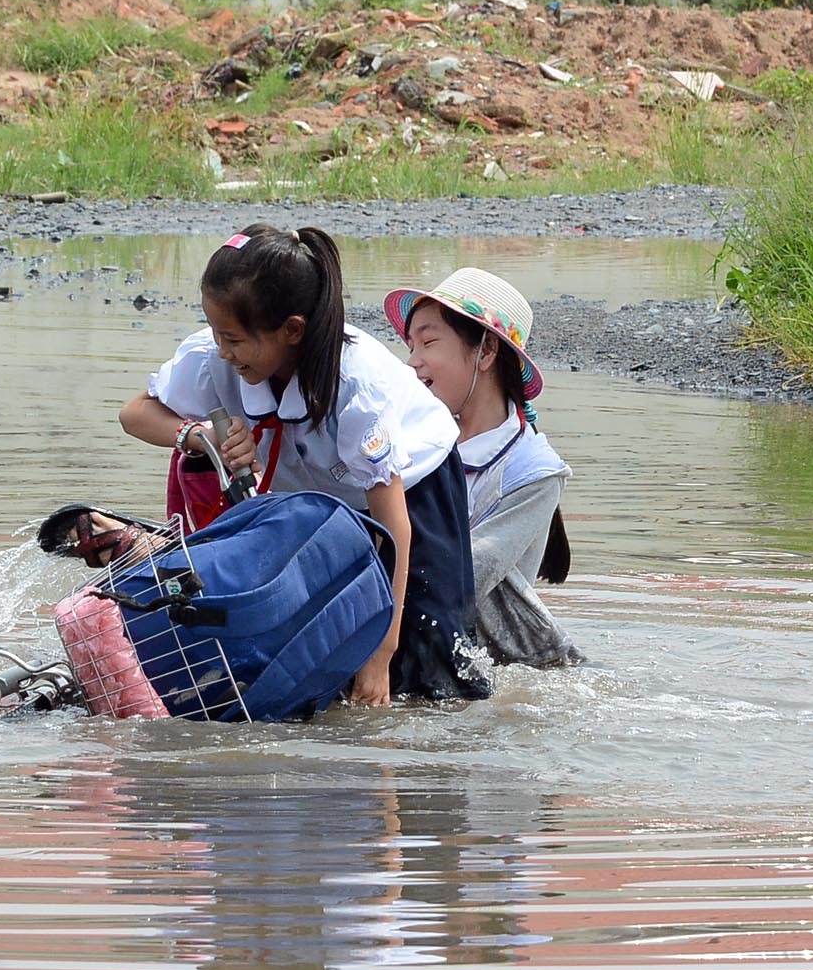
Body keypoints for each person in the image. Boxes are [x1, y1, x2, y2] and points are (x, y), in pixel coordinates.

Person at [118, 224, 493, 706]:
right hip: (322, 504)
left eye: (232, 338)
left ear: (292, 330)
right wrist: (198, 435)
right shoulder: (217, 359)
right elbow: (135, 413)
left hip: (412, 493)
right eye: (215, 333)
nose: (222, 350)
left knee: (429, 672)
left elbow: (394, 525)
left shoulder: (356, 385)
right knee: (316, 648)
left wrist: (381, 653)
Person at [385, 267, 582, 668]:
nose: (412, 362)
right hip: (409, 634)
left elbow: (460, 579)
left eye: (428, 342)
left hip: (468, 662)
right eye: (410, 346)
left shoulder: (534, 472)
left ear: (487, 352)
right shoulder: (411, 440)